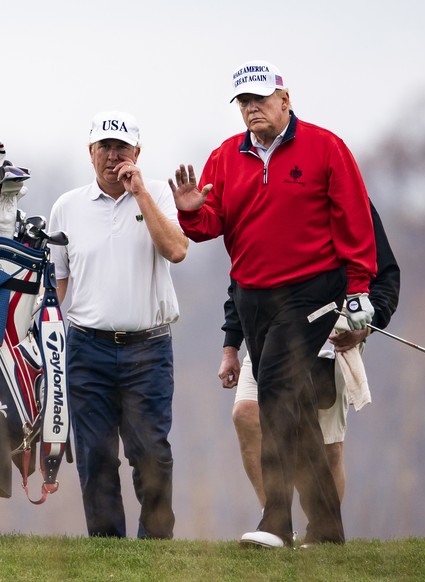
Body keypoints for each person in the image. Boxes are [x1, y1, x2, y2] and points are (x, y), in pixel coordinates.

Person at [170, 60, 377, 548]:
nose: (251, 109)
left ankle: (276, 519)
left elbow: (354, 220)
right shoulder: (224, 156)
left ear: (285, 100)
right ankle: (327, 529)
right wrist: (188, 209)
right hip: (252, 297)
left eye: (260, 99)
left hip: (312, 292)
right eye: (243, 102)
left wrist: (360, 289)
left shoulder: (326, 147)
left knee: (277, 394)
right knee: (295, 405)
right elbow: (208, 226)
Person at [48, 110, 188, 539]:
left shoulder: (158, 197)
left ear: (137, 153)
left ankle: (156, 543)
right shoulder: (67, 207)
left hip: (148, 349)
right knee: (95, 454)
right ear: (90, 153)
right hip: (87, 349)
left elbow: (177, 250)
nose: (113, 156)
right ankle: (107, 547)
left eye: (121, 148)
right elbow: (57, 288)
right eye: (104, 147)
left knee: (151, 454)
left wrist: (141, 194)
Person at [219, 202, 400, 510]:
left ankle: (323, 537)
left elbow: (386, 277)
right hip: (270, 329)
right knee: (247, 414)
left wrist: (366, 326)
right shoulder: (267, 191)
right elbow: (242, 277)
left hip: (333, 331)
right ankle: (275, 523)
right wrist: (231, 346)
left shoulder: (352, 198)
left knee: (328, 447)